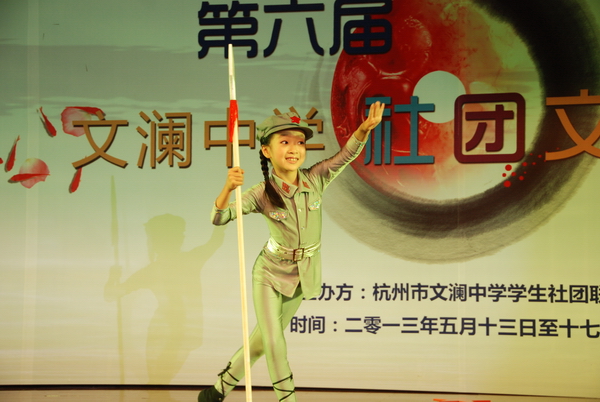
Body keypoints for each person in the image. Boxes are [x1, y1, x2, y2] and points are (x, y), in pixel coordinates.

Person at [199, 101, 385, 402]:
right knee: (274, 343)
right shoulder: (261, 193)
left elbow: (346, 155)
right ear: (266, 150)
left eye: (299, 143)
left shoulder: (316, 178)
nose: (294, 149)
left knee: (262, 341)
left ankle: (217, 390)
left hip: (302, 275)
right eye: (284, 142)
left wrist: (363, 130)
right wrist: (227, 189)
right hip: (269, 274)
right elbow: (219, 218)